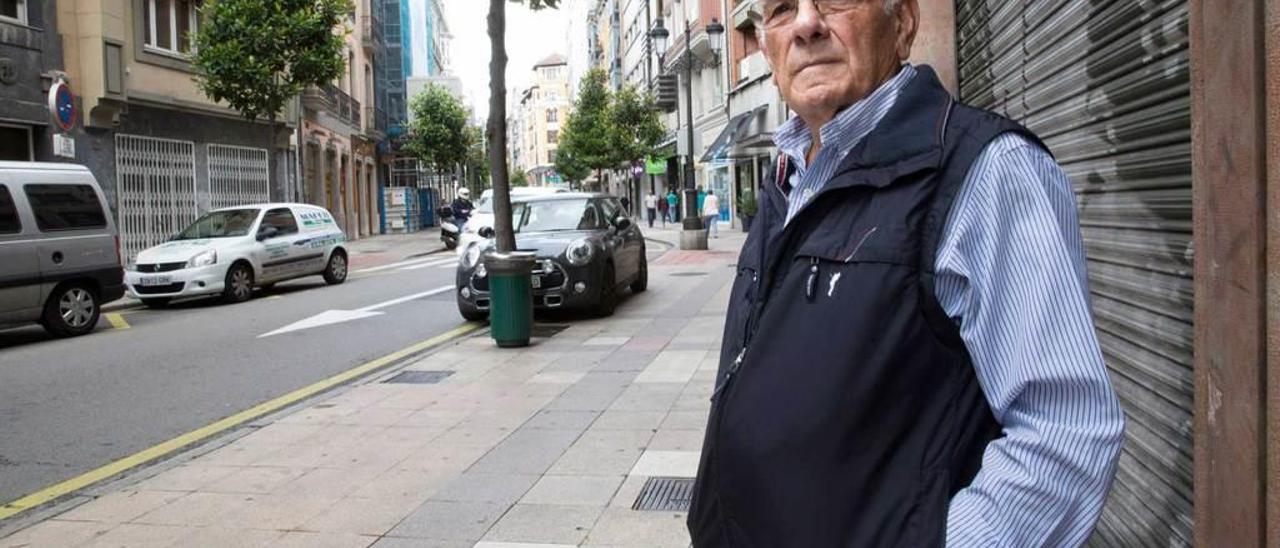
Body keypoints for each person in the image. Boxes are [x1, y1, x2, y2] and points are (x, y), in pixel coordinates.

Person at [688, 1, 1124, 547]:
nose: (805, 24)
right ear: (768, 50)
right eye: (780, 9)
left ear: (903, 23)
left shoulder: (986, 171)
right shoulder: (789, 183)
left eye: (835, 1)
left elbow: (1066, 435)